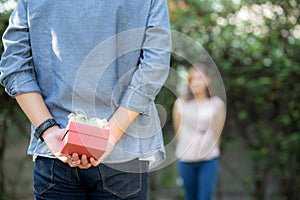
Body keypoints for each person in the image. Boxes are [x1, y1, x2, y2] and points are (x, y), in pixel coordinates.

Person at [0, 1, 171, 199]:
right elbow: (154, 66)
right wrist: (111, 135)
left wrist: (48, 130)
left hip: (56, 153)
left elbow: (13, 65)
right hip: (123, 151)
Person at [172, 64, 226, 200]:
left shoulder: (217, 104)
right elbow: (178, 132)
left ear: (207, 80)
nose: (195, 82)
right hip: (186, 159)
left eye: (199, 78)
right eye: (192, 79)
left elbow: (217, 132)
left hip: (208, 159)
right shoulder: (180, 104)